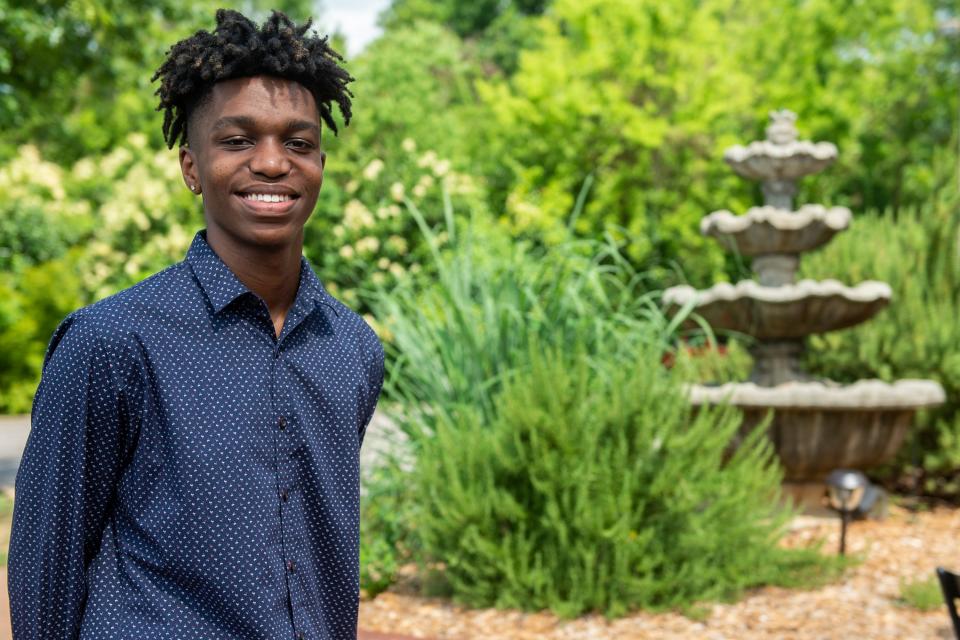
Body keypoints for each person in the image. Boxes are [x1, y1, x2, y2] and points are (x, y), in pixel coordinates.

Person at [7, 9, 384, 640]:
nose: (272, 163)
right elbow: (49, 566)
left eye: (298, 142)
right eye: (238, 141)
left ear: (320, 163)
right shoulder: (111, 342)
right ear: (191, 167)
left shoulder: (351, 348)